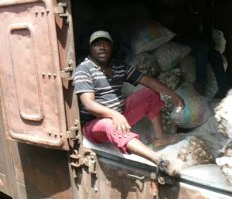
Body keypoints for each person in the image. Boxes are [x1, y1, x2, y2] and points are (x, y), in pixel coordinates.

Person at [74, 30, 185, 176]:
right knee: (110, 124)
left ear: (111, 47)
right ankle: (160, 161)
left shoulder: (119, 66)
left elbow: (148, 81)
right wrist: (114, 115)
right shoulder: (83, 70)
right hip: (94, 125)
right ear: (90, 48)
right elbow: (89, 104)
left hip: (120, 114)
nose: (102, 47)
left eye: (106, 44)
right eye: (97, 44)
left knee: (150, 93)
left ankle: (160, 138)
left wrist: (173, 94)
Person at [173, 0, 229, 98]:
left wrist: (210, 44)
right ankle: (200, 84)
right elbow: (178, 31)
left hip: (197, 39)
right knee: (202, 48)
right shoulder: (183, 9)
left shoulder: (204, 8)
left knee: (215, 54)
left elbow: (207, 29)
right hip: (183, 39)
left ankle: (223, 89)